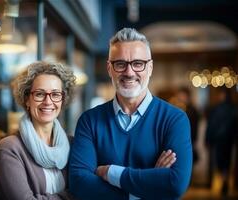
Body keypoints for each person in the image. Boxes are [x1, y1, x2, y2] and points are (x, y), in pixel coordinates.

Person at [69, 28, 192, 200]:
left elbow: (175, 184)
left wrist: (110, 172)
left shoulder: (174, 119)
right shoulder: (90, 121)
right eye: (120, 64)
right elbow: (79, 183)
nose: (129, 72)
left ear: (150, 68)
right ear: (109, 68)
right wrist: (149, 187)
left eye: (138, 63)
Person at [0, 61, 76, 200]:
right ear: (27, 99)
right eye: (39, 94)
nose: (48, 102)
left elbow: (87, 190)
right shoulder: (9, 148)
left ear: (63, 99)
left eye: (55, 94)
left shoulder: (73, 144)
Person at [205, 88, 237, 196]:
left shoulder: (216, 109)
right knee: (226, 162)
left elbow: (211, 126)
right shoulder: (233, 109)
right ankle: (225, 181)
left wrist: (208, 139)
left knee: (220, 162)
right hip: (228, 140)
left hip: (219, 140)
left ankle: (221, 182)